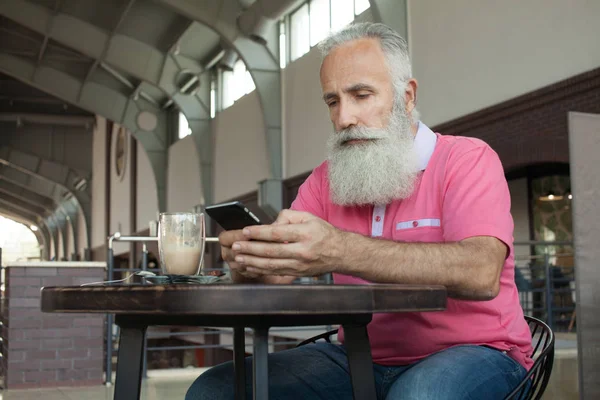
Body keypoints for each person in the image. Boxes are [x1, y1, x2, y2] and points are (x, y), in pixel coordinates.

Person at [186, 22, 533, 400]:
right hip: (357, 355)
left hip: (481, 351)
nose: (343, 118)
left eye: (361, 95)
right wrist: (250, 261)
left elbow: (481, 273)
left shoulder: (466, 159)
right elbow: (277, 278)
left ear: (407, 96)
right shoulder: (324, 180)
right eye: (333, 101)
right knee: (215, 390)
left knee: (418, 395)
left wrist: (339, 249)